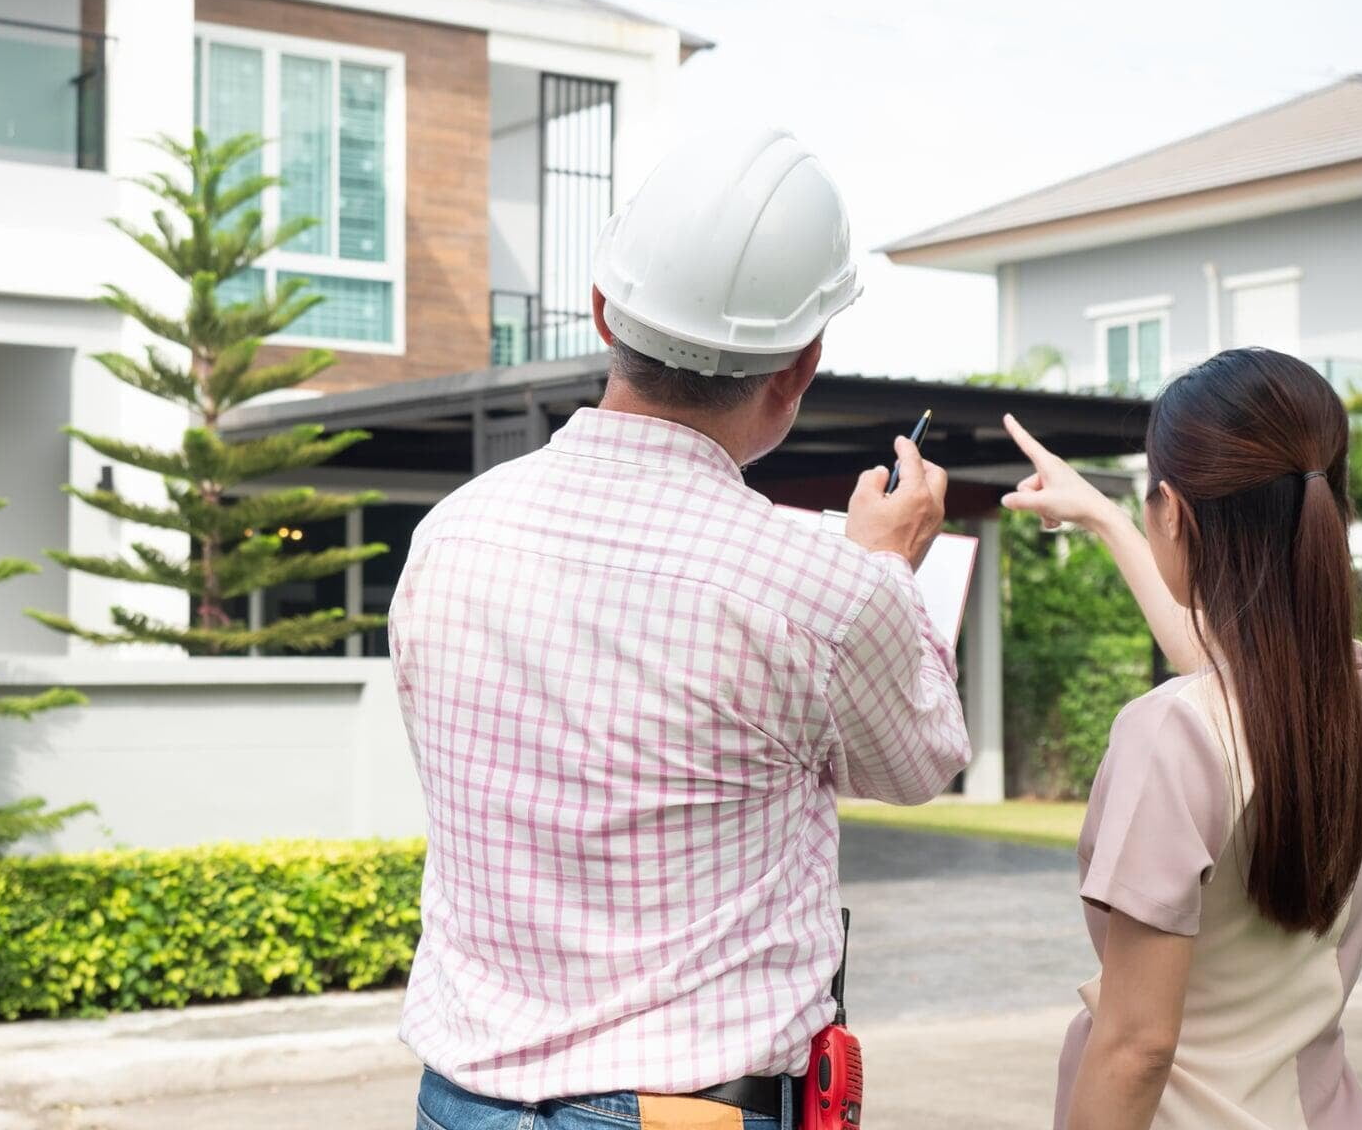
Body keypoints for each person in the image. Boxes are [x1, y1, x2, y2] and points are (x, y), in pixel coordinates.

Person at [390, 126, 970, 1130]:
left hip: (463, 1099)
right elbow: (919, 762)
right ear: (801, 366)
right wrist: (886, 566)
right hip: (683, 1109)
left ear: (605, 309)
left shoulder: (453, 532)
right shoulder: (819, 587)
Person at [1003, 347, 1362, 1130]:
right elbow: (1241, 694)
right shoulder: (1359, 694)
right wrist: (1109, 518)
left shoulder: (1171, 734)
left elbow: (1136, 1048)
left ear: (1174, 512)